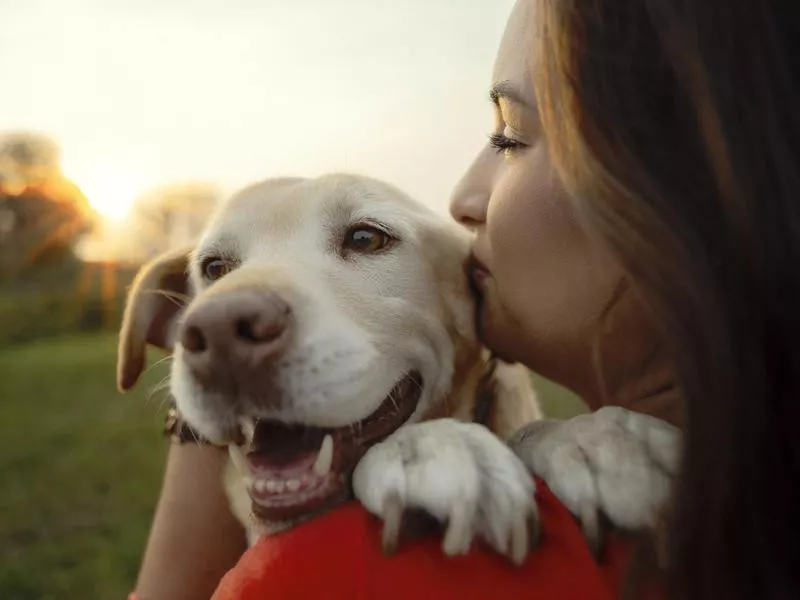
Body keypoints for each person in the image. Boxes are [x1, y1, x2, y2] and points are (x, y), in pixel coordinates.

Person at [131, 0, 800, 598]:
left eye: (510, 137)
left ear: (699, 185)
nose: (462, 199)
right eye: (215, 270)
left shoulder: (335, 574)